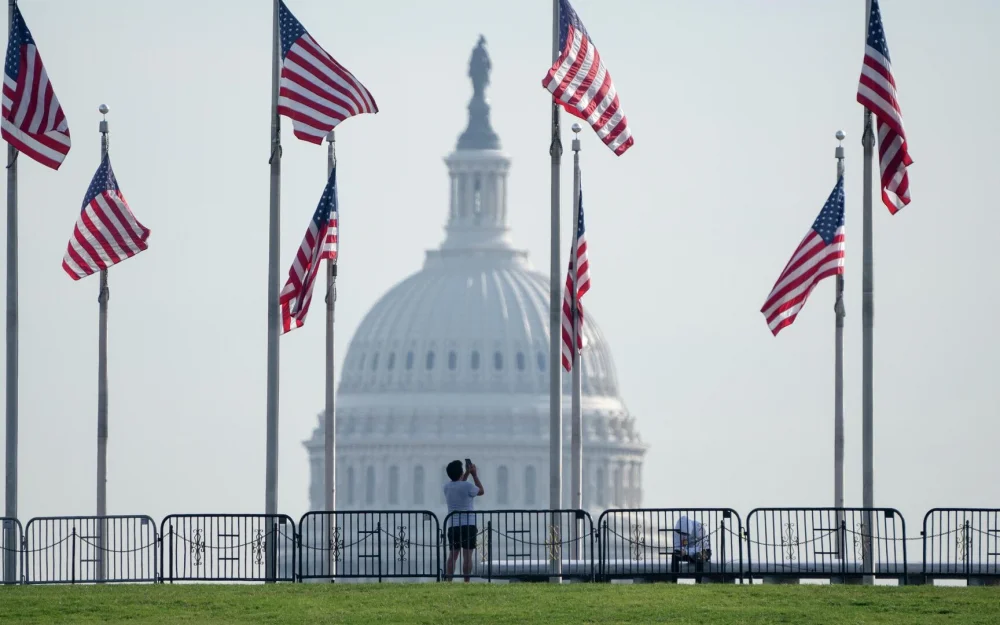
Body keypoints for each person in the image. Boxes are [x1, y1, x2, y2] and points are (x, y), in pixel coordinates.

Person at [443, 459, 484, 582]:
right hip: (468, 525)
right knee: (467, 556)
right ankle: (466, 581)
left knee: (453, 556)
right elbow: (481, 491)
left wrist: (466, 473)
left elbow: (459, 483)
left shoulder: (446, 487)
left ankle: (449, 580)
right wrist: (474, 475)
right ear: (460, 473)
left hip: (453, 525)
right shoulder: (468, 486)